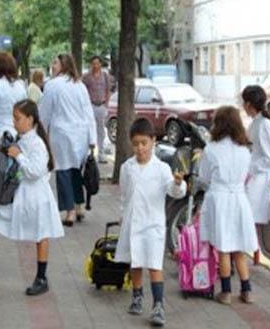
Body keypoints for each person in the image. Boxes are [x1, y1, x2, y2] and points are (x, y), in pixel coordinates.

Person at [0, 99, 64, 296]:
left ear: (30, 119)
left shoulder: (37, 143)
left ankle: (41, 277)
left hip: (36, 197)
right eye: (14, 118)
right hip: (19, 194)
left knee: (41, 233)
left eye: (18, 119)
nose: (14, 122)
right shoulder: (22, 138)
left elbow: (35, 171)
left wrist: (18, 155)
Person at [114, 118, 186, 327]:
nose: (140, 148)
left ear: (153, 141)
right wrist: (122, 215)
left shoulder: (162, 168)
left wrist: (178, 184)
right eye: (136, 143)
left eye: (144, 143)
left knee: (154, 264)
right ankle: (137, 296)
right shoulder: (127, 167)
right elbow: (125, 194)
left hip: (153, 224)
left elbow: (174, 191)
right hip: (132, 222)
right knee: (135, 261)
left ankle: (158, 305)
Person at [199, 106, 258, 305]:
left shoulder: (211, 149)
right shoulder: (244, 149)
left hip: (219, 199)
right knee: (239, 248)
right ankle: (247, 289)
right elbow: (247, 176)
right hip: (239, 199)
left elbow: (204, 177)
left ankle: (225, 292)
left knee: (224, 247)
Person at [39, 53, 97, 226]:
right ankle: (79, 206)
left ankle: (69, 211)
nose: (52, 65)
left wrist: (40, 133)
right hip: (80, 135)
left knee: (63, 171)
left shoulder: (52, 85)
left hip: (61, 134)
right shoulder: (79, 86)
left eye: (55, 62)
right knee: (75, 171)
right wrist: (92, 138)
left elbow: (45, 113)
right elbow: (88, 113)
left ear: (64, 65)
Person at [242, 85, 270, 225]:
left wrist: (251, 169)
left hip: (259, 179)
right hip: (252, 177)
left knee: (251, 221)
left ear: (248, 104)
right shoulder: (256, 122)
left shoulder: (265, 124)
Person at [82, 56, 111, 163]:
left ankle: (101, 154)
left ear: (100, 64)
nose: (95, 65)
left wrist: (106, 104)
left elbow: (108, 89)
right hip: (91, 106)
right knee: (89, 129)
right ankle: (90, 153)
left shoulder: (105, 75)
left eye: (97, 63)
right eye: (93, 63)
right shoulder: (86, 77)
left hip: (102, 105)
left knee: (101, 131)